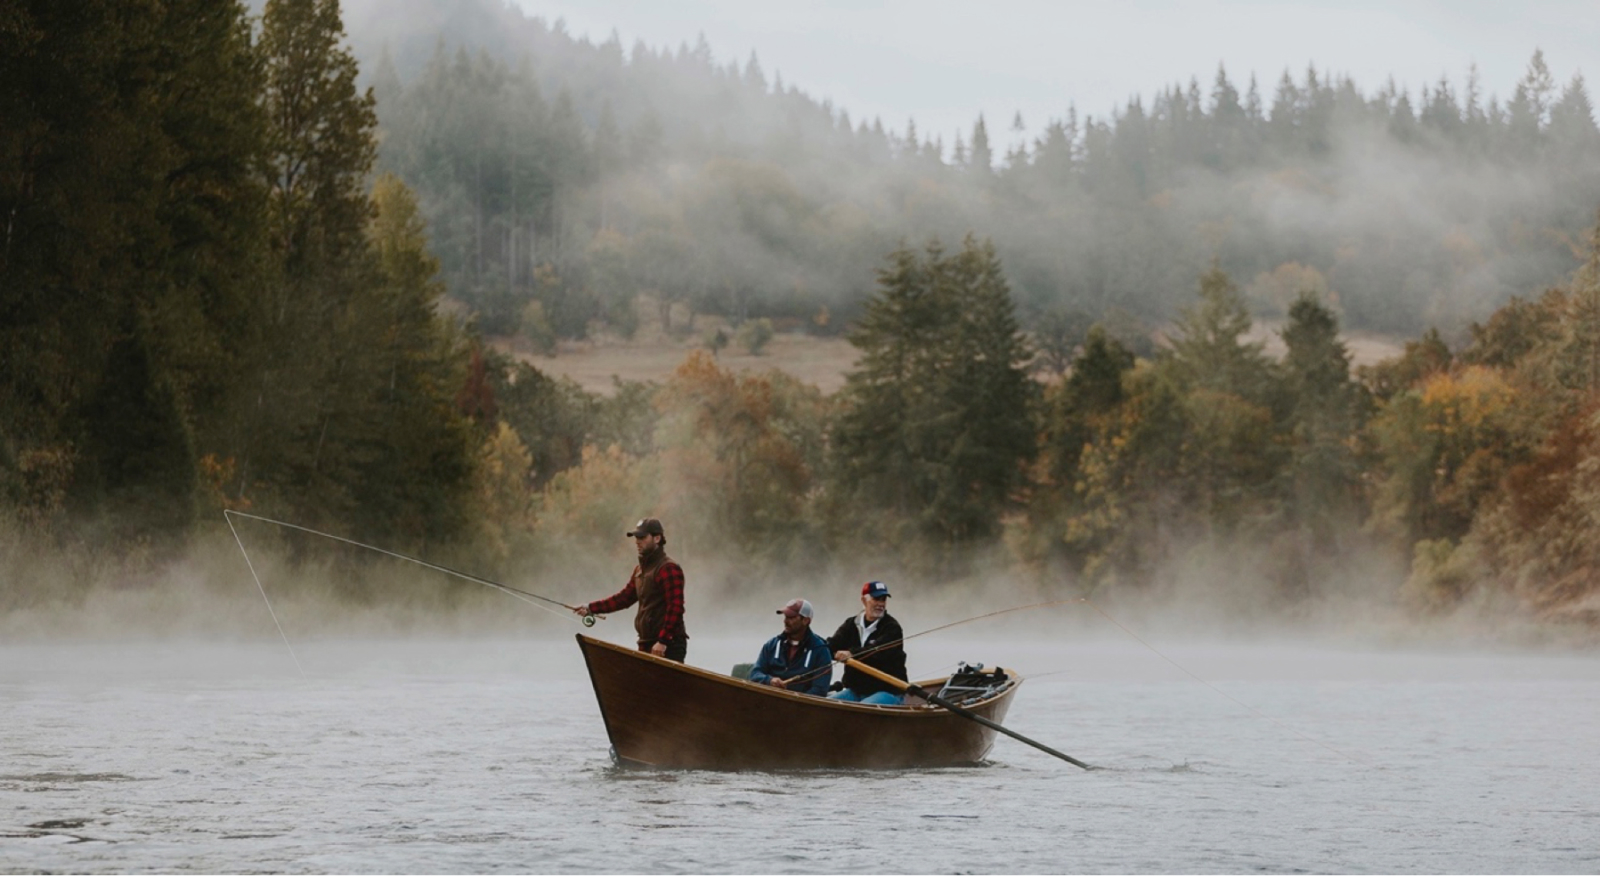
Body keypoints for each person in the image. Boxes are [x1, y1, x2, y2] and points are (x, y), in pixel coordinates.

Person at [574, 517, 688, 662]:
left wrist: (663, 641)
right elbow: (623, 599)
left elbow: (676, 608)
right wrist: (591, 608)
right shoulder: (639, 570)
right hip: (646, 643)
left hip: (668, 645)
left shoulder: (668, 568)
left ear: (657, 538)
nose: (637, 541)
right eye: (636, 537)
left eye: (642, 537)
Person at [826, 580, 907, 705]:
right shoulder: (851, 624)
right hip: (856, 691)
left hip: (887, 691)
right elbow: (832, 645)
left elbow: (877, 652)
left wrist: (851, 654)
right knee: (827, 704)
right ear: (864, 600)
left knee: (860, 710)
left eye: (883, 599)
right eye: (876, 599)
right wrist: (822, 648)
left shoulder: (892, 628)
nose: (881, 604)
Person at [748, 598, 833, 696]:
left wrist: (794, 700)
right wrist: (770, 681)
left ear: (806, 620)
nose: (785, 621)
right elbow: (754, 674)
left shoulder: (821, 650)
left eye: (791, 617)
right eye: (785, 617)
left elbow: (819, 690)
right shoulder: (771, 645)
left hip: (800, 707)